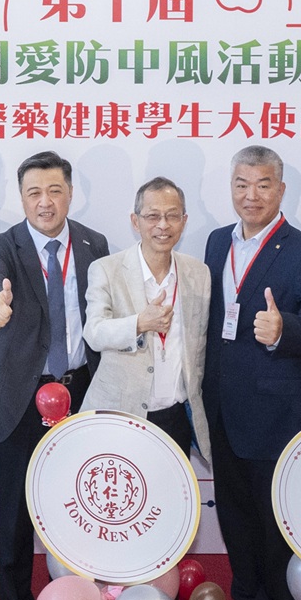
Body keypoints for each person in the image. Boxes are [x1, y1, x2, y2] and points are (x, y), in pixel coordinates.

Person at [0, 151, 109, 600]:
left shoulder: (95, 245)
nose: (44, 202)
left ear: (70, 192)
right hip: (20, 399)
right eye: (34, 192)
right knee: (16, 516)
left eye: (54, 190)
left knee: (82, 507)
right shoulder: (0, 247)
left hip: (82, 393)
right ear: (21, 196)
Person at [201, 145, 301, 600]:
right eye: (240, 184)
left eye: (261, 185)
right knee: (234, 515)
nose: (250, 195)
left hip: (278, 413)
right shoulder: (215, 242)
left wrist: (284, 331)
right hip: (223, 407)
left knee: (273, 520)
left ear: (281, 189)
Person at [81, 175, 210, 460]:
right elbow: (94, 332)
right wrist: (140, 323)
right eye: (153, 216)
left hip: (176, 417)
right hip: (120, 415)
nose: (163, 225)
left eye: (172, 216)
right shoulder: (106, 269)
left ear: (184, 221)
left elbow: (199, 347)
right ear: (135, 221)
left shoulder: (198, 273)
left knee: (173, 502)